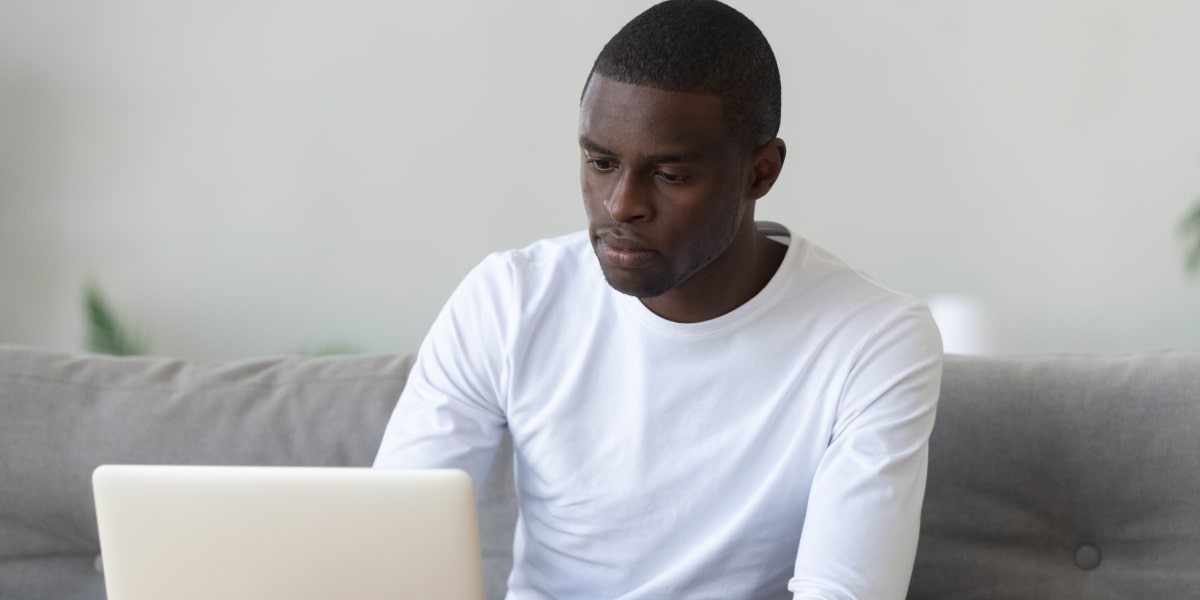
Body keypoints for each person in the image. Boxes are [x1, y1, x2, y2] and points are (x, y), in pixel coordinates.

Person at [374, 1, 943, 598]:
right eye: (600, 163)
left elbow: (843, 592)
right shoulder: (510, 299)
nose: (620, 205)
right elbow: (388, 550)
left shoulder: (874, 336)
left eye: (670, 176)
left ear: (761, 172)